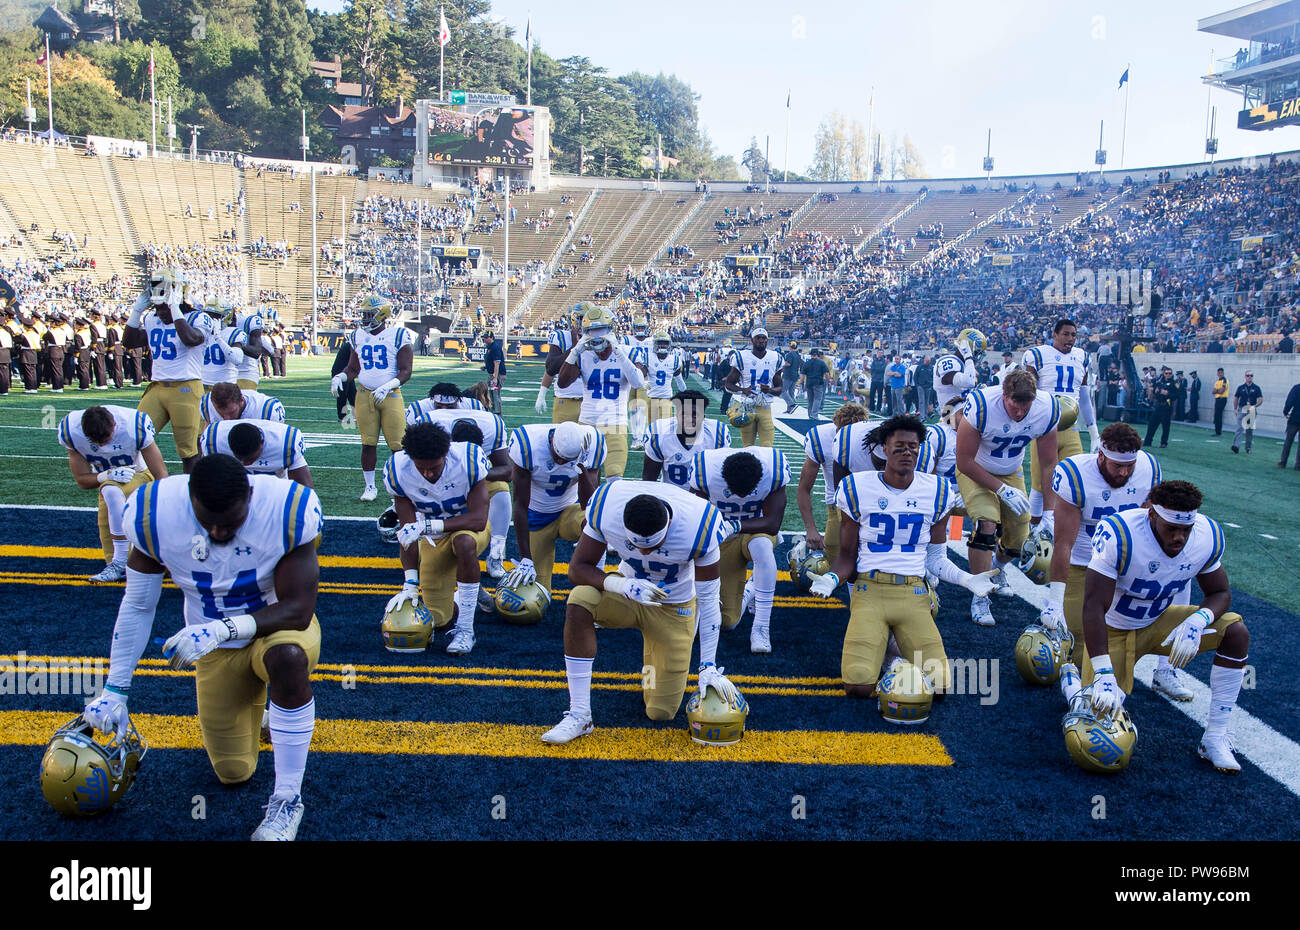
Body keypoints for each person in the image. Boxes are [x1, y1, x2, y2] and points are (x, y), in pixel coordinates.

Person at [84, 454, 324, 839]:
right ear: (189, 497)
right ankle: (266, 712)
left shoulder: (287, 509)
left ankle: (287, 799)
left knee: (288, 659)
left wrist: (222, 629)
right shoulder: (152, 514)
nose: (217, 531)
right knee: (233, 773)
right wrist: (115, 689)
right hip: (212, 646)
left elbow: (297, 610)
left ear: (249, 494)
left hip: (273, 630)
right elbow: (138, 604)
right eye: (206, 520)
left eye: (229, 522)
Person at [808, 414, 996, 700]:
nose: (907, 451)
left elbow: (935, 559)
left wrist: (967, 579)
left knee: (942, 687)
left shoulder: (935, 490)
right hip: (870, 590)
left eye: (913, 446)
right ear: (884, 448)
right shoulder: (857, 487)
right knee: (858, 687)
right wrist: (832, 579)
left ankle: (898, 661)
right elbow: (848, 556)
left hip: (914, 592)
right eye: (899, 445)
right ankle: (895, 661)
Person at [1075, 480, 1249, 774]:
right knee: (1098, 735)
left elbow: (1220, 593)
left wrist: (1198, 620)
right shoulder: (1121, 534)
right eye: (1172, 528)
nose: (1179, 537)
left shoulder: (1206, 535)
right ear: (1152, 515)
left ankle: (1215, 737)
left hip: (1158, 623)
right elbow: (1093, 606)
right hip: (1113, 629)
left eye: (1186, 529)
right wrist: (1103, 671)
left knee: (1235, 632)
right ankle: (1072, 678)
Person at [539, 481, 732, 744]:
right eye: (634, 544)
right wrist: (623, 584)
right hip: (627, 593)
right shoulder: (607, 504)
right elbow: (577, 569)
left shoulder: (699, 524)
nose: (642, 552)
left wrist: (708, 665)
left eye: (651, 547)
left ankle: (653, 664)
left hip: (674, 606)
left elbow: (710, 601)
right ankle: (580, 714)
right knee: (580, 599)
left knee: (660, 713)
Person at [1045, 421, 1190, 699]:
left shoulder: (1148, 468)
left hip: (1125, 559)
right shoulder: (1076, 474)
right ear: (1100, 456)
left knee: (1179, 577)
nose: (1124, 473)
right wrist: (1054, 600)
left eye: (1129, 466)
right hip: (1084, 560)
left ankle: (1165, 670)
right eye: (1117, 466)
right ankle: (1072, 677)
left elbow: (1152, 523)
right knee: (1080, 644)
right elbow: (1064, 543)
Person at [955, 369, 1061, 626]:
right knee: (986, 525)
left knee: (1017, 541)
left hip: (1012, 471)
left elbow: (1049, 464)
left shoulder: (1047, 408)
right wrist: (1000, 490)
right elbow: (964, 460)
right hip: (975, 470)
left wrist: (1049, 512)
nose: (1020, 412)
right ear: (1004, 395)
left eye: (1027, 404)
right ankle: (979, 595)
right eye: (1015, 403)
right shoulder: (982, 405)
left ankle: (997, 569)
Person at [382, 422, 491, 655]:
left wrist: (427, 525)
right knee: (439, 621)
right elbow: (407, 533)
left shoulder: (467, 460)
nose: (428, 474)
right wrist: (410, 584)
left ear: (446, 454)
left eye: (434, 467)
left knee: (464, 543)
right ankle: (469, 587)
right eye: (421, 468)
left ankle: (466, 630)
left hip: (469, 531)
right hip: (432, 541)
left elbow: (478, 520)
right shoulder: (398, 471)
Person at [689, 446, 789, 653]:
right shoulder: (704, 470)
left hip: (757, 533)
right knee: (727, 622)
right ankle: (752, 588)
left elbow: (772, 523)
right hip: (723, 540)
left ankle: (761, 627)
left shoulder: (773, 468)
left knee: (762, 547)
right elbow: (696, 519)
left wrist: (734, 525)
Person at [59, 405, 168, 582]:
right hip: (108, 482)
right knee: (109, 489)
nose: (102, 445)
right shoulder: (71, 430)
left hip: (140, 475)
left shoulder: (133, 425)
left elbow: (160, 474)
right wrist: (105, 475)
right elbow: (82, 480)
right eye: (95, 442)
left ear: (115, 425)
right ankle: (120, 563)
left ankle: (120, 563)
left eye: (106, 438)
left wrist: (161, 506)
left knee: (111, 489)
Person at [404, 398, 511, 578]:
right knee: (435, 566)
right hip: (440, 479)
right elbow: (413, 468)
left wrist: (477, 474)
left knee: (501, 488)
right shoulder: (429, 427)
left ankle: (496, 553)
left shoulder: (492, 426)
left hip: (476, 481)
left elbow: (508, 471)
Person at [124, 270, 216, 474]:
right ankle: (149, 482)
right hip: (157, 387)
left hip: (186, 388)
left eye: (165, 306)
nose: (161, 311)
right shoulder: (151, 318)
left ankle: (192, 494)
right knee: (134, 436)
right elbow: (130, 342)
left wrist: (175, 309)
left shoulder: (198, 318)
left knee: (189, 451)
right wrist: (136, 312)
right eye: (158, 306)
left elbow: (191, 339)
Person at [505, 421, 606, 596]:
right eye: (557, 456)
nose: (560, 462)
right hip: (537, 517)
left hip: (571, 510)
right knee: (534, 597)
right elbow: (520, 504)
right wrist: (525, 558)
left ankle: (596, 580)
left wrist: (581, 466)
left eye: (566, 460)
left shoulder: (593, 443)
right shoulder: (528, 444)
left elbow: (588, 504)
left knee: (595, 521)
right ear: (551, 440)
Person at [330, 295, 413, 501]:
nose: (364, 318)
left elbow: (406, 371)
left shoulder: (398, 335)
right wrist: (340, 377)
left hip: (390, 394)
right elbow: (353, 368)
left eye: (368, 314)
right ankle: (370, 487)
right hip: (364, 394)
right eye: (364, 314)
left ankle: (402, 486)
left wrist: (387, 387)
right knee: (368, 443)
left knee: (398, 445)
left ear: (382, 315)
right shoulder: (357, 335)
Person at [1021, 318, 1100, 527]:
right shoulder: (1037, 355)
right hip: (1045, 427)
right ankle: (1034, 531)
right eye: (1066, 334)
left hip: (1070, 428)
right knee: (1040, 484)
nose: (1070, 339)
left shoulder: (1082, 357)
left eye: (1073, 335)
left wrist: (1094, 432)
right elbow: (1029, 393)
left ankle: (1062, 528)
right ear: (1054, 334)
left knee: (1074, 481)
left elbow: (1083, 396)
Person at [556, 304, 645, 478]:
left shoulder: (628, 352)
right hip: (587, 422)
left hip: (615, 423)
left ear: (612, 331)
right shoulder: (583, 354)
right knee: (585, 477)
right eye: (591, 333)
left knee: (614, 477)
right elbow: (562, 383)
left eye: (601, 333)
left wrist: (617, 351)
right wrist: (575, 351)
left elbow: (637, 383)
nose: (598, 345)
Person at [796, 403, 868, 569]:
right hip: (837, 506)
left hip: (869, 505)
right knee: (834, 566)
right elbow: (804, 487)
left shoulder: (875, 438)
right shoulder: (821, 436)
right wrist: (811, 529)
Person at [200, 418, 312, 486]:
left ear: (262, 443)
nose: (244, 463)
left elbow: (304, 490)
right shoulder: (213, 441)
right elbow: (205, 482)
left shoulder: (286, 443)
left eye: (249, 459)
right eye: (239, 458)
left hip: (274, 492)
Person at [724, 327, 783, 447]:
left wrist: (770, 390)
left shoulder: (775, 358)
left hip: (765, 406)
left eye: (763, 338)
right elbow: (728, 384)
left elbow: (780, 388)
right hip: (747, 406)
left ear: (767, 340)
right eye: (758, 338)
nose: (761, 340)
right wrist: (742, 390)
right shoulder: (741, 357)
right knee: (747, 446)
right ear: (752, 340)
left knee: (767, 446)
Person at [200, 381, 286, 425]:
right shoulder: (207, 404)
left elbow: (275, 444)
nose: (227, 419)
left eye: (231, 412)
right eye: (220, 414)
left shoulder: (267, 409)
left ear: (241, 400)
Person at [1144, 366, 1176, 449]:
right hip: (1158, 405)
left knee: (1165, 426)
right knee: (1152, 424)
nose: (1168, 375)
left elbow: (1176, 395)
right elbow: (1154, 389)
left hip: (1166, 406)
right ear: (1164, 374)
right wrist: (1155, 391)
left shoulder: (1174, 383)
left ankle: (1164, 443)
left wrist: (1167, 394)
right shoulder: (1160, 382)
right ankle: (1148, 441)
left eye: (1170, 373)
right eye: (1166, 373)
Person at [1231, 370, 1262, 454]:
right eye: (1248, 375)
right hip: (1242, 408)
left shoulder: (1256, 388)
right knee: (1239, 428)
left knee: (1249, 429)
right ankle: (1236, 446)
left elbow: (1260, 399)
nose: (1249, 377)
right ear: (1245, 377)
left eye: (1251, 375)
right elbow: (1236, 398)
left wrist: (1255, 406)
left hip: (1251, 409)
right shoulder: (1241, 387)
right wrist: (1235, 408)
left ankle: (1248, 447)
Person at [802, 348, 831, 420]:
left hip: (809, 383)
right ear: (817, 354)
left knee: (810, 400)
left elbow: (802, 375)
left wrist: (801, 383)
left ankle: (810, 415)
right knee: (817, 399)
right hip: (818, 382)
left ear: (810, 355)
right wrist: (829, 381)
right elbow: (826, 373)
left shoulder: (806, 363)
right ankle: (814, 415)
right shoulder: (821, 363)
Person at [483, 330, 505, 415]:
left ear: (491, 338)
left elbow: (497, 363)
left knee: (495, 395)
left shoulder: (494, 347)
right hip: (493, 375)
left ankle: (498, 415)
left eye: (486, 338)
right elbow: (492, 362)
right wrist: (486, 367)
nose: (484, 339)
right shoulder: (490, 347)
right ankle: (494, 414)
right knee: (491, 395)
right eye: (484, 338)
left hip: (497, 375)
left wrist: (495, 378)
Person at [1281, 380, 1300, 469]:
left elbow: (1289, 401)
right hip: (1295, 418)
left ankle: (1283, 462)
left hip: (1294, 418)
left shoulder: (1296, 388)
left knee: (1288, 441)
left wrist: (1286, 412)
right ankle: (1298, 465)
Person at [781, 340, 803, 412]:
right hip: (795, 374)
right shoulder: (798, 355)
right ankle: (789, 409)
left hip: (789, 375)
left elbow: (788, 364)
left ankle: (792, 404)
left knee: (782, 390)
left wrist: (782, 364)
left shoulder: (790, 354)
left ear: (790, 347)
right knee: (791, 392)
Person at [1212, 369, 1229, 435]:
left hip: (1222, 399)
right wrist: (1218, 390)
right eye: (1219, 373)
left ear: (1223, 373)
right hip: (1217, 399)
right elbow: (1213, 391)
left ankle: (1219, 432)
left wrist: (1217, 390)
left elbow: (1222, 391)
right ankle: (1217, 431)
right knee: (1216, 415)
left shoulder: (1225, 380)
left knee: (1219, 415)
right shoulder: (1217, 382)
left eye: (1221, 373)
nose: (1220, 374)